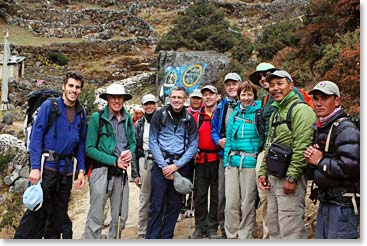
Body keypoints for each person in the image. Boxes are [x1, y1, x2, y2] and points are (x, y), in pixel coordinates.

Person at [14, 71, 87, 239]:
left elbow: (81, 144)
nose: (73, 90)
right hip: (46, 168)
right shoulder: (50, 106)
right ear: (63, 86)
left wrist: (81, 170)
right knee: (35, 211)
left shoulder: (81, 113)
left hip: (66, 172)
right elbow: (36, 138)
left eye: (77, 87)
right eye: (70, 86)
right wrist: (34, 168)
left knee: (58, 217)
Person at [257, 70, 316, 239]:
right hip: (274, 175)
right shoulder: (275, 112)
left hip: (290, 178)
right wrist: (263, 171)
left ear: (291, 85)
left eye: (280, 84)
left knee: (291, 227)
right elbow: (269, 144)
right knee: (274, 225)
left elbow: (302, 146)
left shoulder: (301, 110)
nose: (275, 88)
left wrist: (292, 177)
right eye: (272, 85)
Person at [304, 81, 360, 239]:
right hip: (327, 200)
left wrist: (320, 161)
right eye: (315, 98)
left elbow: (352, 167)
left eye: (325, 98)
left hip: (343, 205)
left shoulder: (346, 129)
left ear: (337, 101)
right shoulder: (322, 126)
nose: (319, 103)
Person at [83, 83, 136, 239]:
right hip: (101, 171)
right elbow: (90, 149)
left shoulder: (127, 119)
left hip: (121, 172)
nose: (117, 101)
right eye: (113, 97)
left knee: (121, 216)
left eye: (120, 97)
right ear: (107, 99)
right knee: (96, 216)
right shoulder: (96, 118)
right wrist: (114, 161)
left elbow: (132, 142)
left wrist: (129, 153)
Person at [146, 86, 198, 239]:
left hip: (180, 166)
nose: (176, 100)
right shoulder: (159, 115)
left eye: (180, 97)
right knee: (156, 204)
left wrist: (177, 165)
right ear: (169, 98)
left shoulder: (188, 119)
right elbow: (153, 140)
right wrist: (164, 166)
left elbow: (193, 144)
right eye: (174, 97)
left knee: (174, 204)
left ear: (185, 99)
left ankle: (166, 236)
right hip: (161, 164)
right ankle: (152, 237)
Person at [223, 81, 261, 239]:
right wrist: (226, 163)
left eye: (249, 94)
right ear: (238, 96)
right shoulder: (235, 114)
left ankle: (245, 235)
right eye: (243, 94)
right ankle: (231, 235)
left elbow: (262, 139)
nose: (246, 97)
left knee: (247, 203)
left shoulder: (259, 113)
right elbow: (229, 140)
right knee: (231, 203)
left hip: (250, 163)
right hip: (233, 162)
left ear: (254, 96)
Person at [211, 72, 242, 239]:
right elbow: (214, 130)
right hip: (226, 156)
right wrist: (218, 141)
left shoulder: (248, 105)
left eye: (234, 83)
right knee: (223, 192)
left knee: (243, 194)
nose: (231, 87)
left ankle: (242, 225)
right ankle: (224, 226)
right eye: (228, 84)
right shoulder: (221, 107)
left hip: (244, 156)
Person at [249, 62, 278, 239]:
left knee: (278, 194)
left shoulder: (290, 95)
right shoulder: (265, 99)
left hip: (280, 151)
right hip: (266, 150)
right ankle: (269, 232)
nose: (262, 79)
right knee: (265, 194)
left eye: (266, 75)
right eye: (259, 77)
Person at [189, 85, 220, 239]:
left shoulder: (221, 114)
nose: (208, 97)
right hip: (200, 160)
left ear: (217, 96)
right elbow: (190, 137)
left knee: (215, 195)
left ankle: (213, 227)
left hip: (217, 160)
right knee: (200, 195)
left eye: (211, 94)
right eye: (205, 95)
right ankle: (200, 227)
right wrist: (192, 149)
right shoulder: (196, 117)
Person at [131, 94, 158, 239]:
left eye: (151, 103)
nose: (149, 106)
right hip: (145, 160)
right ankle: (143, 231)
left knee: (160, 196)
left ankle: (156, 228)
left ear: (156, 104)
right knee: (145, 197)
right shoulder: (139, 125)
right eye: (146, 104)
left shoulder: (163, 120)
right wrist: (135, 174)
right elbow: (134, 149)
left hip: (160, 161)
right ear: (142, 106)